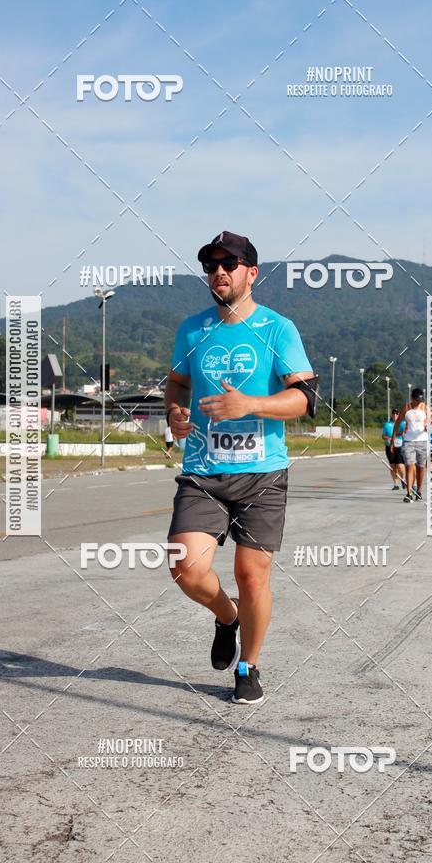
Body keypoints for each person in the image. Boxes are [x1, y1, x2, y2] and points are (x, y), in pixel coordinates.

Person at [165, 230, 316, 704]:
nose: (219, 272)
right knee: (184, 567)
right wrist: (175, 413)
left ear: (252, 272)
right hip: (203, 472)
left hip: (262, 474)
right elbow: (175, 384)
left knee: (253, 575)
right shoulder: (193, 329)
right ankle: (227, 616)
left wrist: (248, 404)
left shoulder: (277, 329)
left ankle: (249, 664)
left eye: (230, 264)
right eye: (212, 265)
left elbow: (306, 400)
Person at [392, 388, 429, 503]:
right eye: (417, 400)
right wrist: (393, 439)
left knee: (420, 468)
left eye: (421, 400)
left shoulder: (425, 408)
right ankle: (409, 493)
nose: (419, 402)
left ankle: (419, 491)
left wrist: (428, 426)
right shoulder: (406, 408)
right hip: (408, 441)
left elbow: (431, 422)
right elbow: (397, 423)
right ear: (412, 398)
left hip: (422, 441)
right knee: (409, 466)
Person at [382, 408, 405, 490]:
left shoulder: (403, 423)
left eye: (397, 413)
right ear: (391, 415)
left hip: (399, 446)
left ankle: (403, 479)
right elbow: (383, 435)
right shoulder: (387, 424)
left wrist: (395, 436)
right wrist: (387, 438)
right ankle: (395, 484)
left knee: (400, 465)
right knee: (392, 466)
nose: (395, 415)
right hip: (389, 447)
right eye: (393, 413)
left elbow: (404, 432)